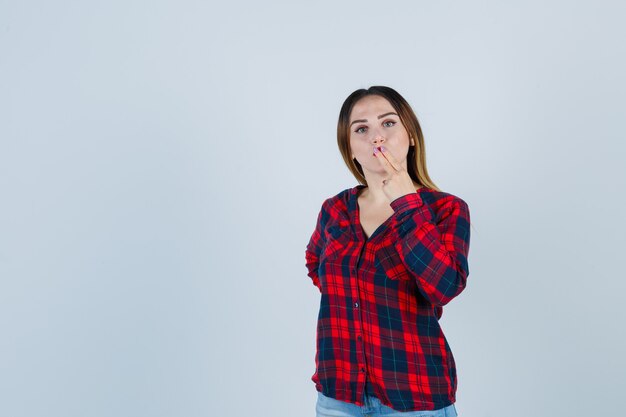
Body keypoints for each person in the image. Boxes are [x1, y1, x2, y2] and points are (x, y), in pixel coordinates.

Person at [305, 86, 471, 417]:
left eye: (388, 123)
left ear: (410, 135)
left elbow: (444, 287)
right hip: (339, 393)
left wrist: (407, 202)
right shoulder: (334, 210)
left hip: (414, 397)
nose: (376, 137)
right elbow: (315, 264)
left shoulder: (446, 209)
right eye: (361, 129)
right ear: (350, 148)